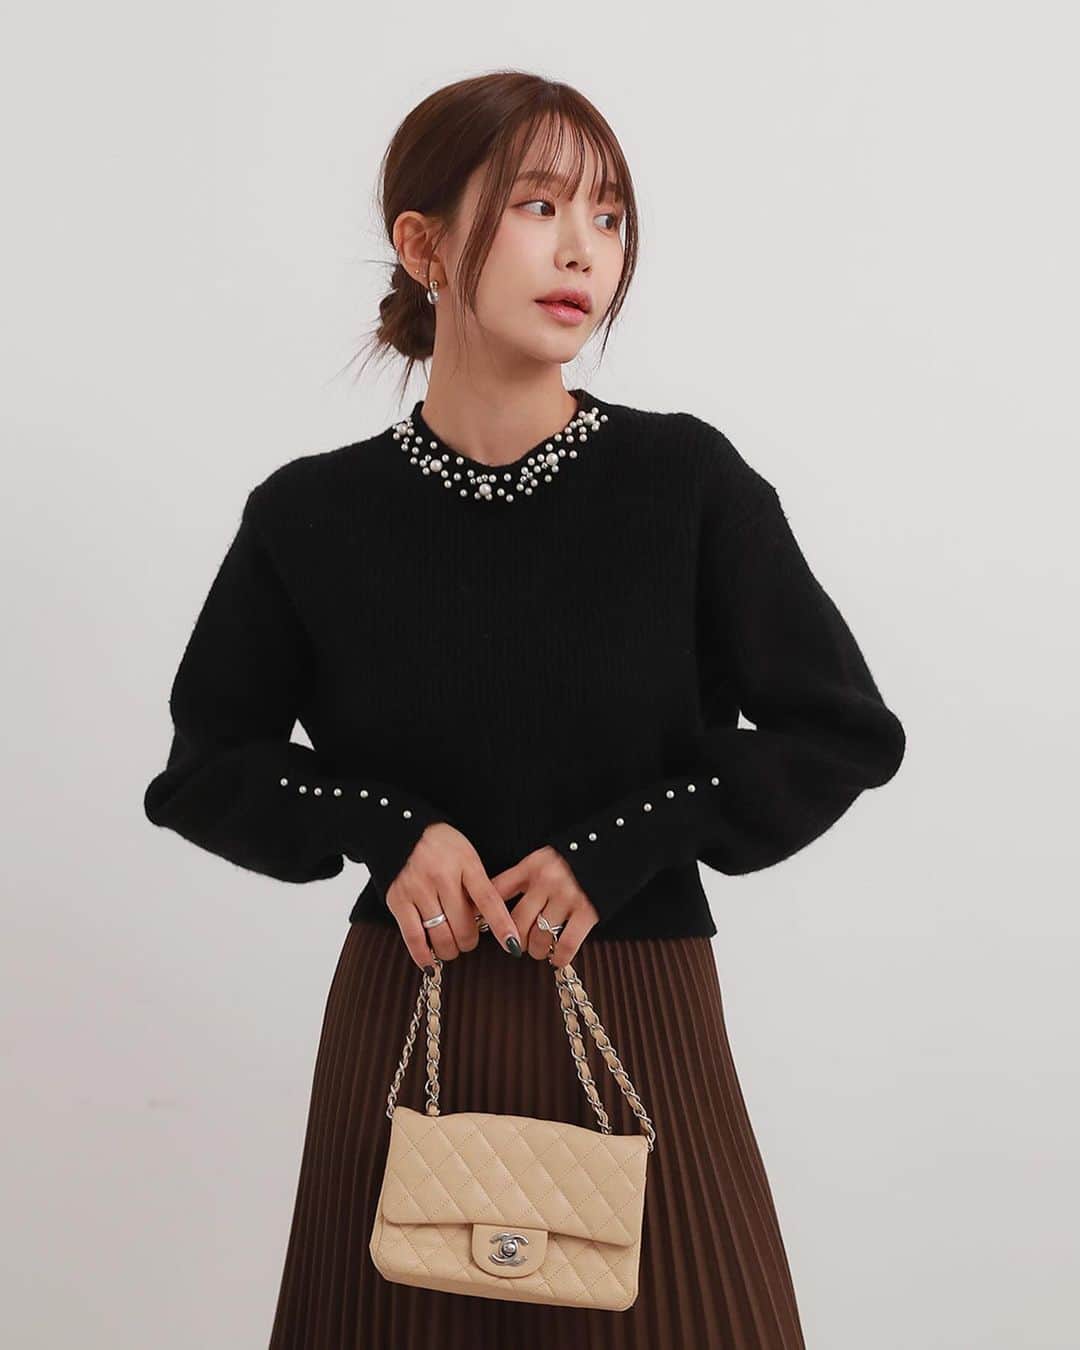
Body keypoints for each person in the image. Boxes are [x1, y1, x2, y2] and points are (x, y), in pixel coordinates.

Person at [143, 72, 905, 1349]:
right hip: (408, 1024)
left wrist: (624, 845)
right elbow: (207, 766)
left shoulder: (685, 482)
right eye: (539, 204)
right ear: (424, 244)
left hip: (642, 1013)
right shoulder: (311, 516)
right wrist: (386, 827)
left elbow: (840, 732)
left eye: (608, 216)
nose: (583, 250)